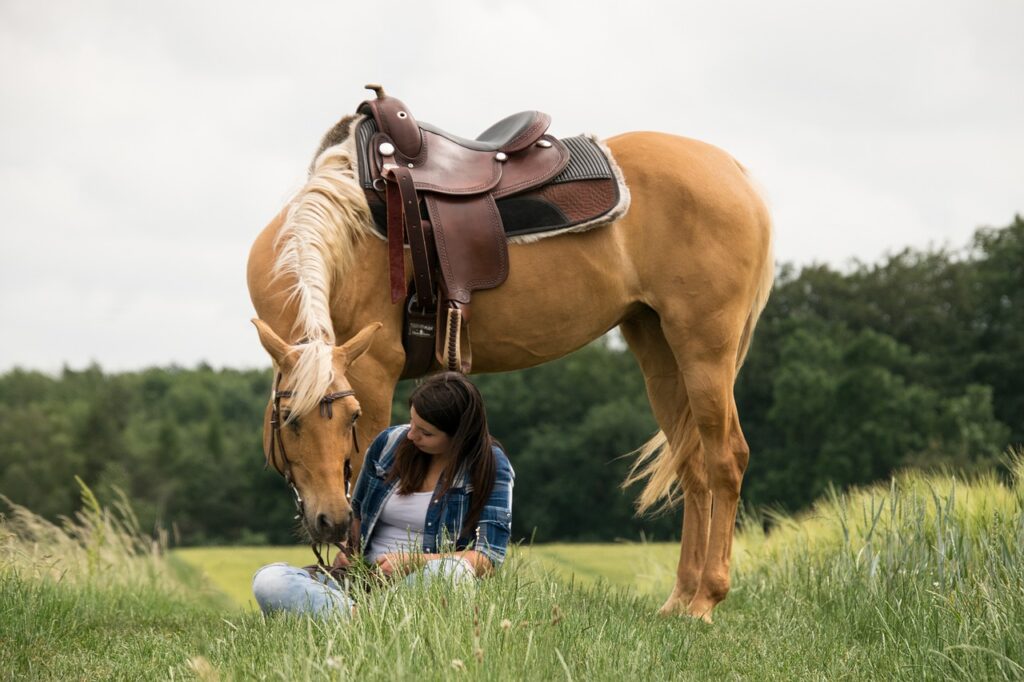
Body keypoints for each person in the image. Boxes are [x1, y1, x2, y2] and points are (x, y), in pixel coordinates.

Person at [252, 372, 514, 618]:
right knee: (269, 581)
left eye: (426, 432)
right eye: (412, 422)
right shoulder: (389, 443)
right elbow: (358, 514)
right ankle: (364, 618)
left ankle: (349, 618)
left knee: (454, 574)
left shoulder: (491, 466)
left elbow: (487, 559)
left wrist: (413, 562)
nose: (411, 435)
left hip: (420, 584)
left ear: (459, 437)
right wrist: (349, 553)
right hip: (361, 580)